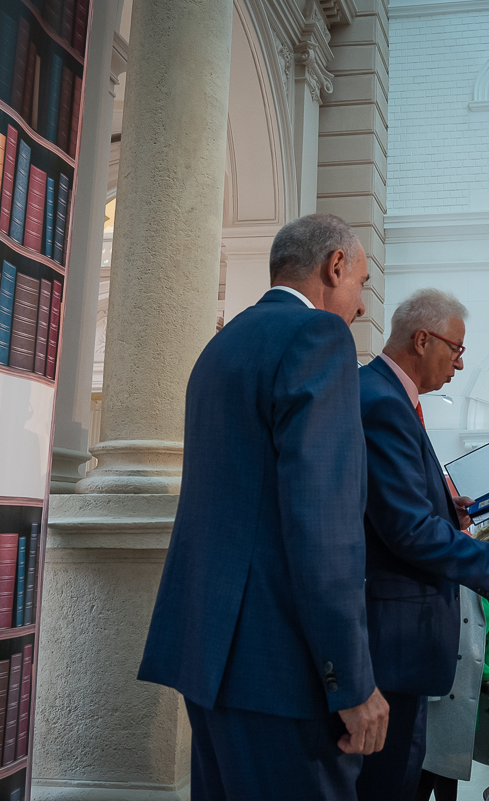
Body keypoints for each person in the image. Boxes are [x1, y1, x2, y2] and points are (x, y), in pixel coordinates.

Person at [137, 214, 389, 801]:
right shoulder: (319, 337)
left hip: (210, 660)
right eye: (361, 283)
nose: (361, 305)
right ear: (335, 266)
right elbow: (322, 526)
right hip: (282, 672)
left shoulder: (221, 344)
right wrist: (350, 681)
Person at [357, 288, 489, 801]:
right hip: (392, 643)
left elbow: (398, 512)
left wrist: (450, 512)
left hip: (401, 645)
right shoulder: (383, 401)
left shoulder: (393, 398)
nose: (461, 363)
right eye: (456, 348)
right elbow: (408, 531)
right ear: (422, 340)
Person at [415, 522, 489, 801]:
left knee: (449, 771)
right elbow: (460, 643)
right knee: (428, 772)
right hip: (448, 690)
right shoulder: (460, 583)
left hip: (463, 693)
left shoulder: (483, 589)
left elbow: (485, 646)